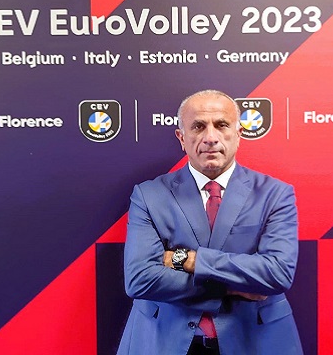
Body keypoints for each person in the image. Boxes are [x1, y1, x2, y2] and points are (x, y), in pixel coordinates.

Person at [117, 90, 302, 355]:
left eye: (221, 125)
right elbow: (140, 279)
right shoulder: (149, 195)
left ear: (238, 134)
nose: (211, 137)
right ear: (182, 138)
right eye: (198, 126)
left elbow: (277, 274)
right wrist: (233, 286)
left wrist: (189, 260)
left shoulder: (275, 194)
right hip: (164, 341)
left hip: (254, 341)